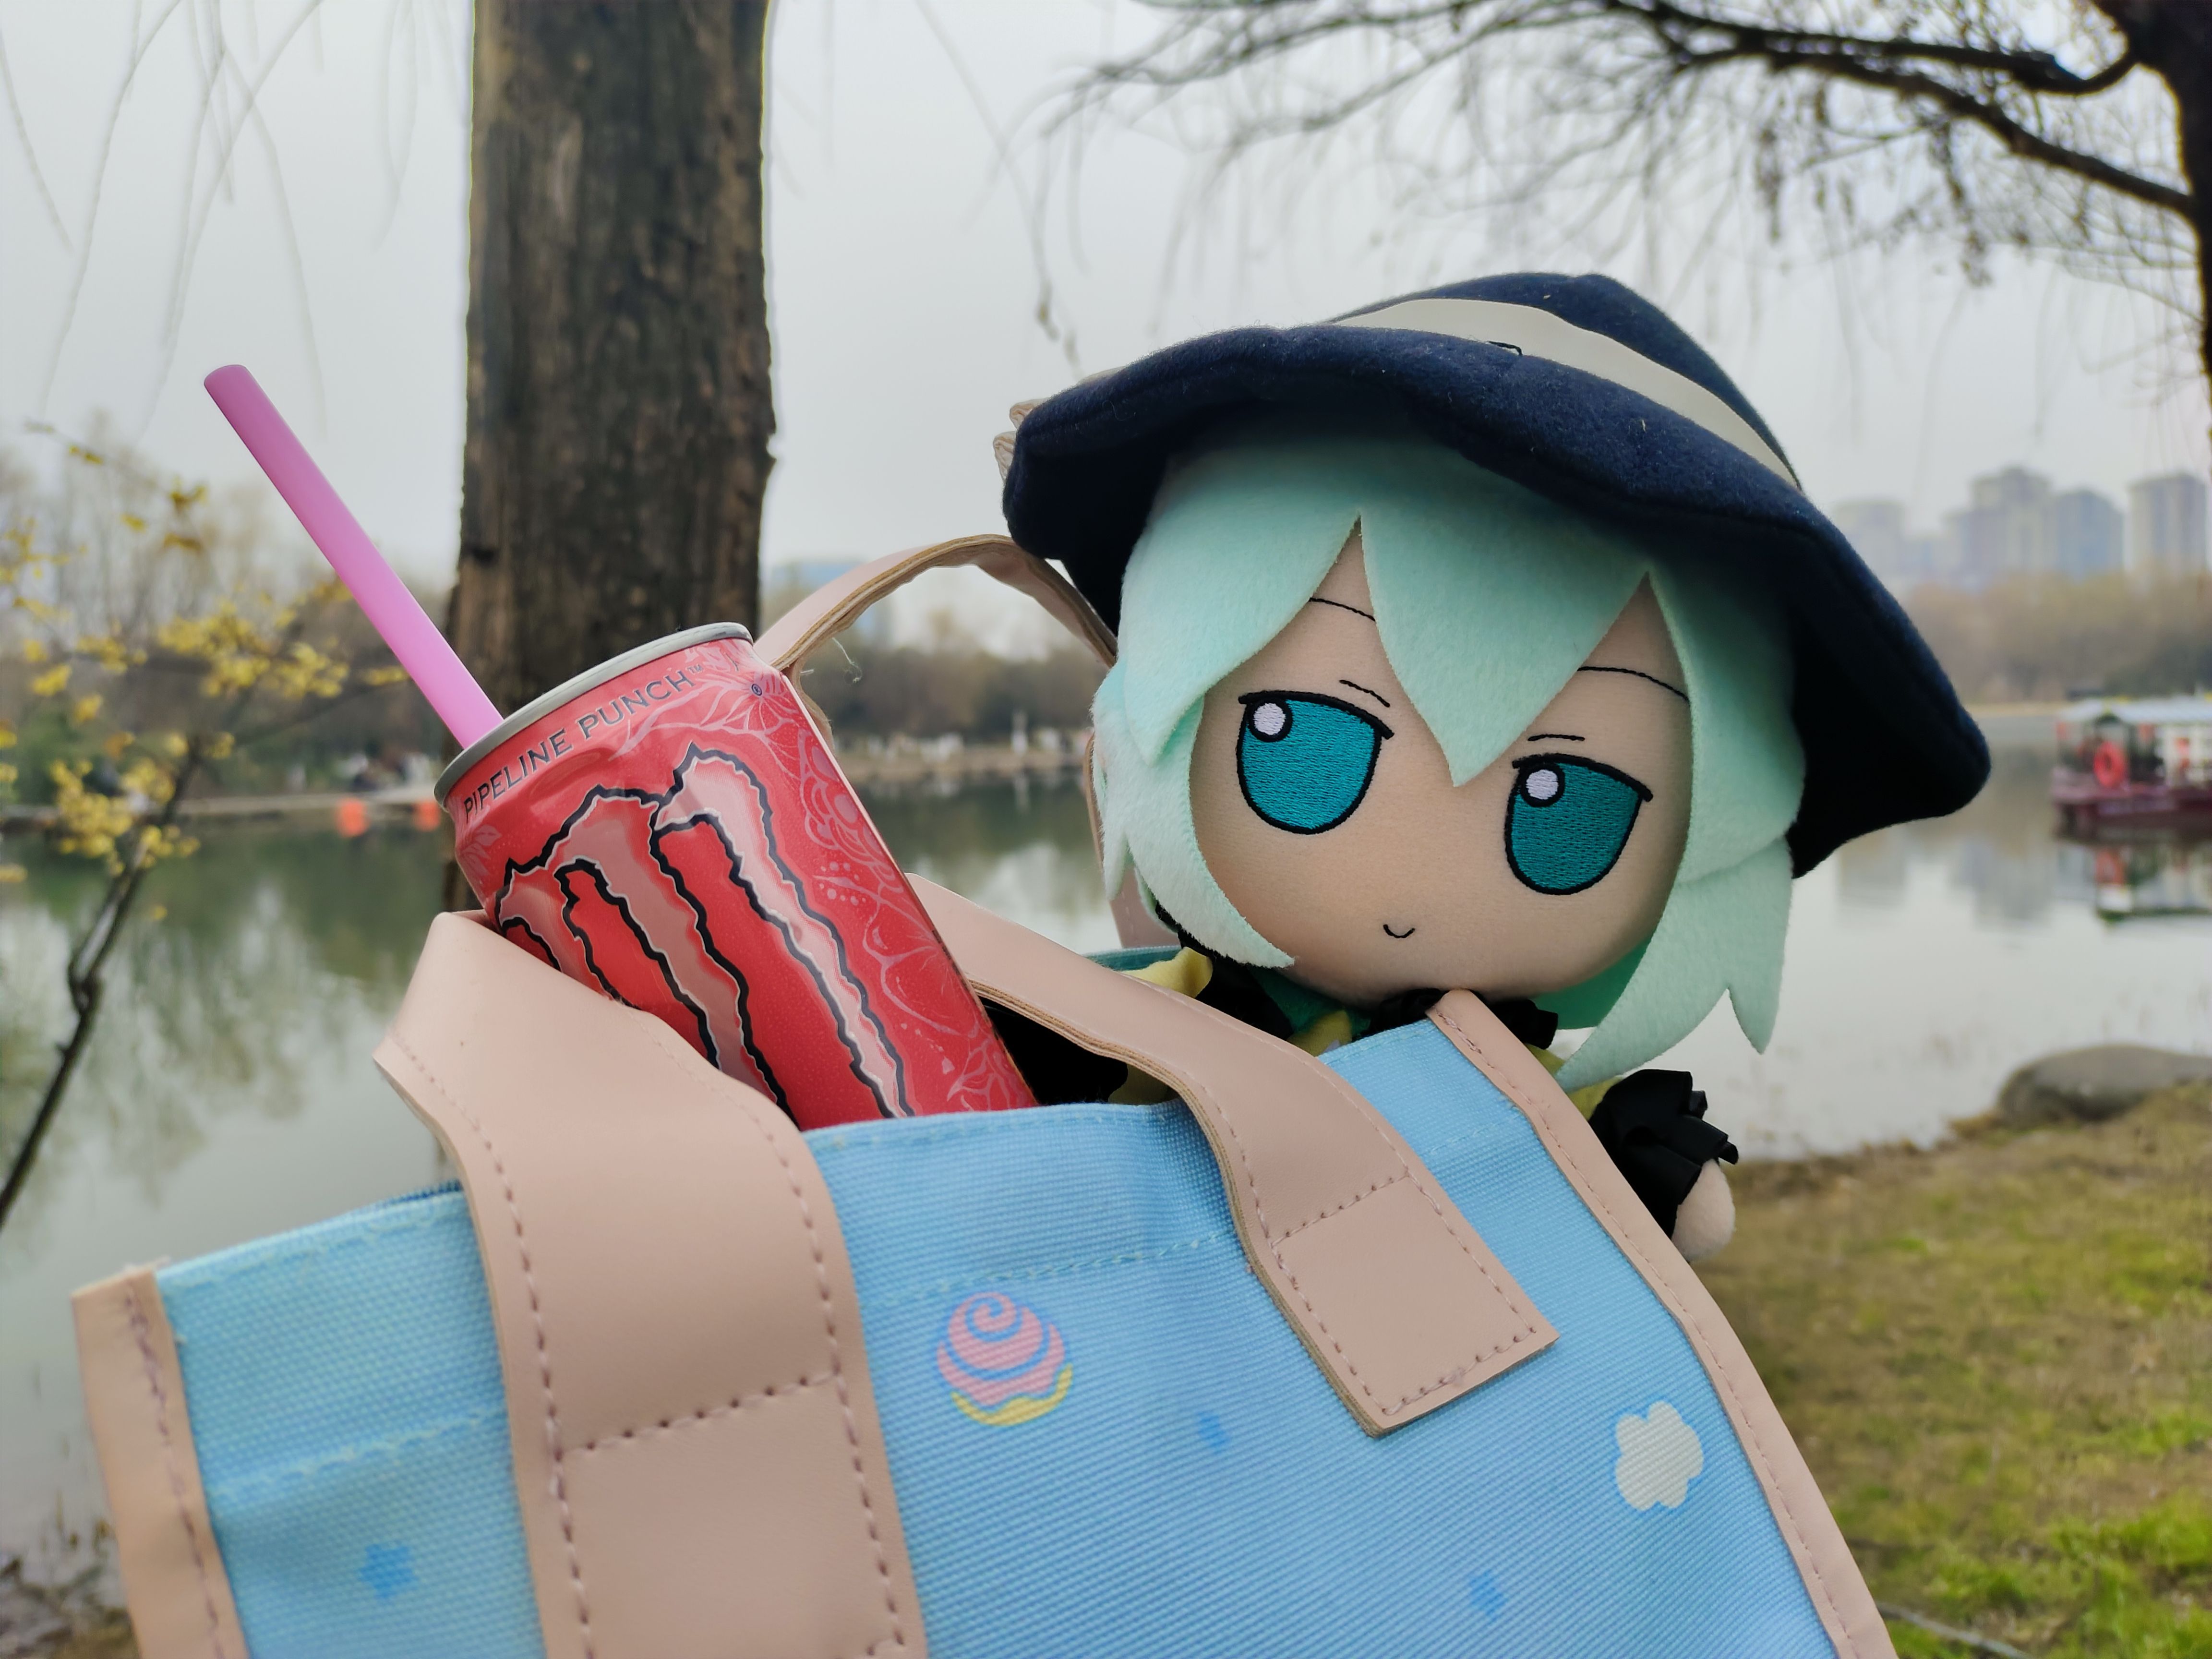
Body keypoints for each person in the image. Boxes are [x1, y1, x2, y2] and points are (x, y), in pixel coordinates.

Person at [995, 272, 1989, 1258]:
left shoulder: (1504, 1071)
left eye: (1566, 806)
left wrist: (1632, 1153)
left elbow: (1660, 1190)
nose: (1405, 888)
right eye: (1304, 741)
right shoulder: (1193, 1016)